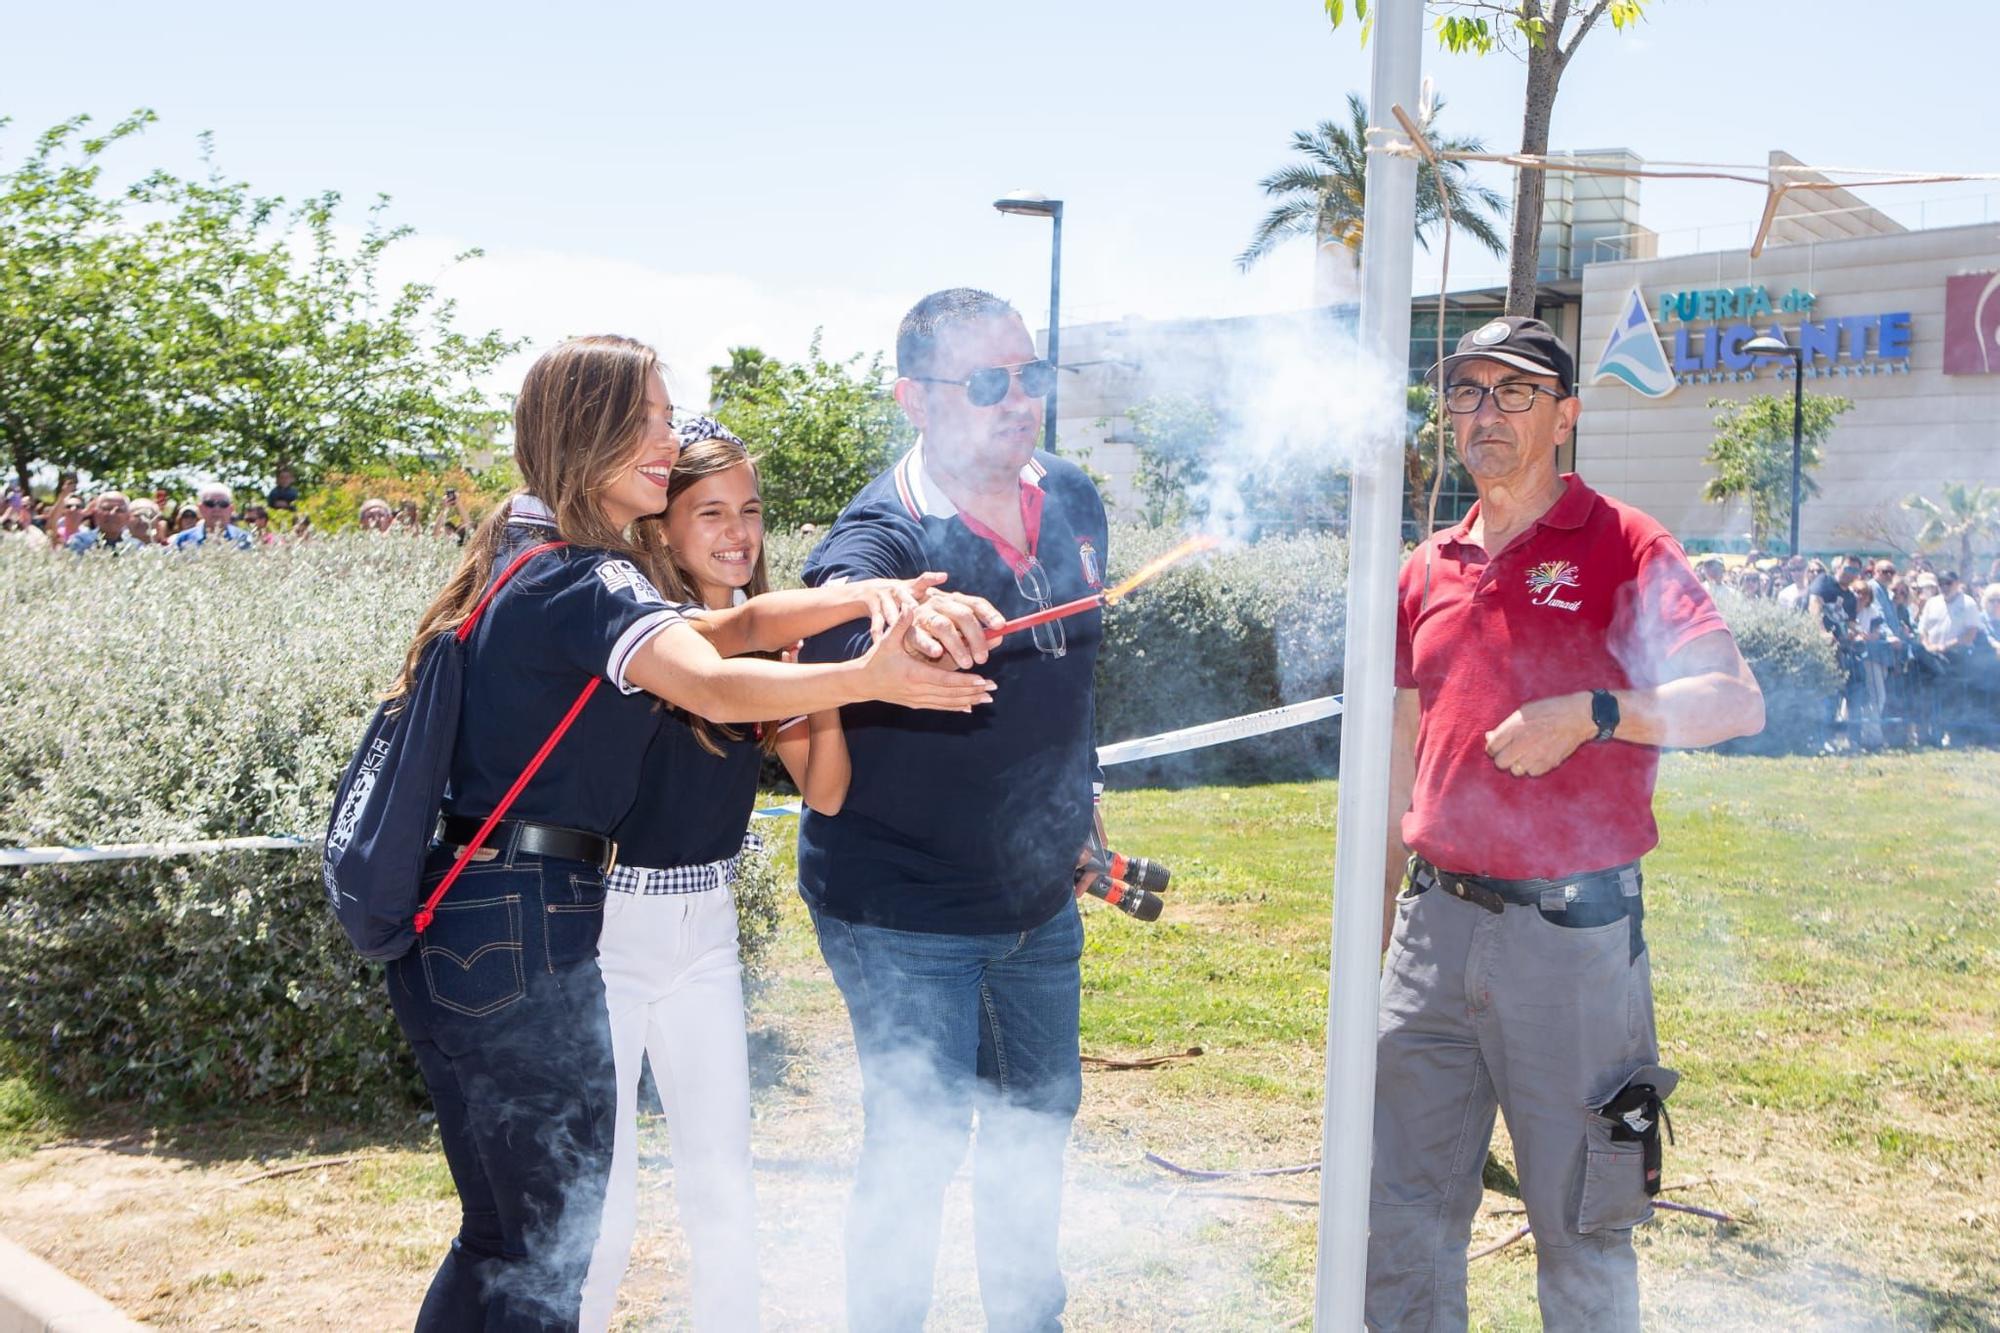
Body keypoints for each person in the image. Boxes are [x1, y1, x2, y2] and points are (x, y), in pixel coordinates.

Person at [381, 334, 993, 1332]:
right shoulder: (585, 580)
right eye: (655, 419)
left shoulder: (528, 557)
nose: (671, 440)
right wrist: (866, 674)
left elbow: (730, 627)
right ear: (597, 433)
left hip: (483, 916)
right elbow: (706, 673)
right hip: (527, 926)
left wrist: (865, 596)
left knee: (513, 1239)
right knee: (557, 1238)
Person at [1371, 316, 1765, 1332]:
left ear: (1564, 418)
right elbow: (1402, 752)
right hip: (1431, 933)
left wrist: (1595, 713)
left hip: (1573, 944)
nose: (1484, 414)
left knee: (1586, 1221)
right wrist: (1378, 931)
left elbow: (1731, 700)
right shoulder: (1427, 565)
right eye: (1466, 392)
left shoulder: (1624, 543)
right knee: (1402, 1211)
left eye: (1513, 393)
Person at [579, 418, 940, 1331]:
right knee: (601, 1199)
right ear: (659, 526)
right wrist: (853, 662)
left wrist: (818, 683)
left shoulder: (764, 642)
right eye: (710, 512)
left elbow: (825, 791)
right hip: (602, 932)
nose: (738, 531)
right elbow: (718, 654)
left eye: (750, 509)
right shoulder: (643, 627)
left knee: (723, 1187)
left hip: (705, 929)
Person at [795, 287, 1103, 1332]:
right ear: (914, 399)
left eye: (1029, 375)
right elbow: (843, 624)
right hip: (899, 909)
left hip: (1036, 904)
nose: (1017, 401)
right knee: (916, 1150)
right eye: (985, 382)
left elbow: (1073, 686)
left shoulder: (1071, 496)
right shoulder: (877, 535)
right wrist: (909, 620)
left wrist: (1080, 810)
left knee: (1033, 1130)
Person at [171, 483, 254, 550]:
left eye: (223, 504)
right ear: (201, 508)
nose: (217, 509)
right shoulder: (183, 539)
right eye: (210, 504)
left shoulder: (244, 538)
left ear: (231, 509)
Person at [65, 492, 140, 554]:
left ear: (128, 516)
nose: (112, 514)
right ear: (95, 513)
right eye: (106, 509)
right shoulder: (80, 542)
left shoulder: (135, 547)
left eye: (119, 510)